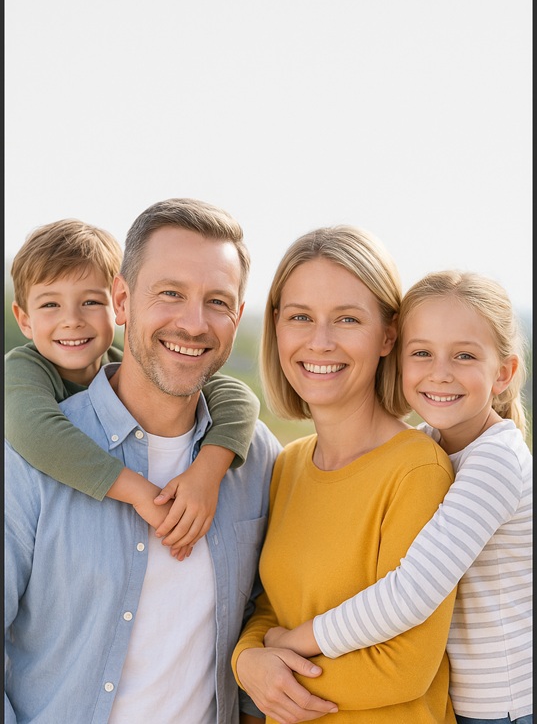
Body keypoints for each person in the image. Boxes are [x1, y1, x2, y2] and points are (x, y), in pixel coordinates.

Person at [5, 198, 280, 723]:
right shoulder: (27, 452)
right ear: (123, 301)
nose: (194, 324)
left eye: (217, 301)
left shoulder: (258, 459)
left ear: (238, 315)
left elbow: (264, 611)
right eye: (171, 293)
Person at [265, 270, 533, 724]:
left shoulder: (496, 461)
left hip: (501, 706)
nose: (440, 373)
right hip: (466, 703)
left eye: (465, 355)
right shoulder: (430, 442)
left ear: (503, 373)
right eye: (422, 353)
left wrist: (292, 641)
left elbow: (408, 594)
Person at [232, 225, 458, 723]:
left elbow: (404, 667)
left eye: (347, 319)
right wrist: (246, 660)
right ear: (276, 326)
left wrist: (276, 680)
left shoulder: (417, 471)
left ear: (388, 335)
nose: (320, 342)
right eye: (300, 317)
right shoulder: (288, 464)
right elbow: (273, 608)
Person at [5, 217, 261, 558]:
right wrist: (140, 493)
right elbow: (36, 433)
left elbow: (239, 398)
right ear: (24, 319)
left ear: (118, 303)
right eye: (51, 304)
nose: (72, 320)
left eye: (91, 302)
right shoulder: (20, 370)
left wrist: (206, 473)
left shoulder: (127, 363)